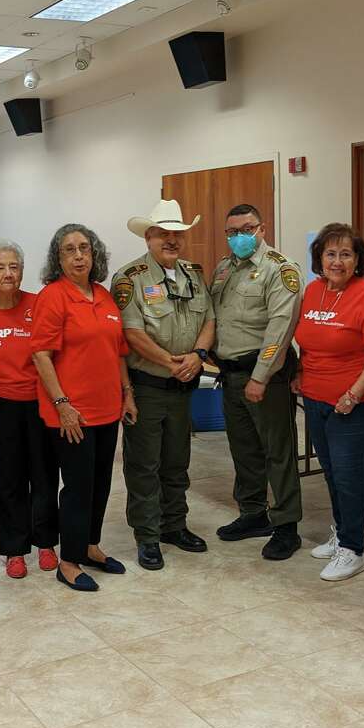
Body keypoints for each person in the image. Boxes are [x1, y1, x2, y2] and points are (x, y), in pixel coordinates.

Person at [32, 223, 137, 592]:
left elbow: (118, 351)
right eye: (69, 250)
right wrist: (62, 404)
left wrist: (128, 393)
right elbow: (41, 355)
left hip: (107, 408)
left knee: (100, 483)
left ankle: (91, 545)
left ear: (95, 255)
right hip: (72, 413)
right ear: (57, 259)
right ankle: (69, 561)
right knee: (77, 487)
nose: (78, 256)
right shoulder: (53, 297)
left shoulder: (104, 297)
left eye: (84, 249)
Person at [111, 200, 215, 570]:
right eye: (163, 234)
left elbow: (209, 319)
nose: (171, 240)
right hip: (149, 385)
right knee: (144, 464)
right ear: (149, 237)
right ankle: (148, 535)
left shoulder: (192, 272)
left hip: (183, 384)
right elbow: (131, 333)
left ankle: (175, 525)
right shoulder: (130, 278)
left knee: (177, 461)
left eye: (177, 234)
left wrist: (198, 355)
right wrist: (171, 362)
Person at [292, 224, 364, 581]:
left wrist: (353, 394)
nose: (337, 261)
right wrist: (301, 375)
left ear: (358, 260)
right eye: (330, 254)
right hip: (317, 397)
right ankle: (343, 534)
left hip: (359, 400)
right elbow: (307, 340)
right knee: (332, 470)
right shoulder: (313, 290)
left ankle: (353, 549)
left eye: (345, 254)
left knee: (350, 475)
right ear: (319, 257)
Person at [210, 204, 304, 561]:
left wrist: (260, 378)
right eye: (232, 232)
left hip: (264, 376)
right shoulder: (223, 269)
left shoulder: (280, 269)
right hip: (230, 374)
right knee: (244, 449)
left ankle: (286, 526)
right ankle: (252, 514)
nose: (239, 237)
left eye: (246, 229)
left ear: (261, 229)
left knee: (277, 453)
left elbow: (280, 329)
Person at [0, 241, 59, 579]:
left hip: (40, 402)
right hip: (2, 406)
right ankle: (15, 550)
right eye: (0, 268)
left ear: (22, 271)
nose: (8, 273)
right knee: (9, 479)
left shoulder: (40, 305)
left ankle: (47, 543)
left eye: (14, 267)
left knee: (45, 474)